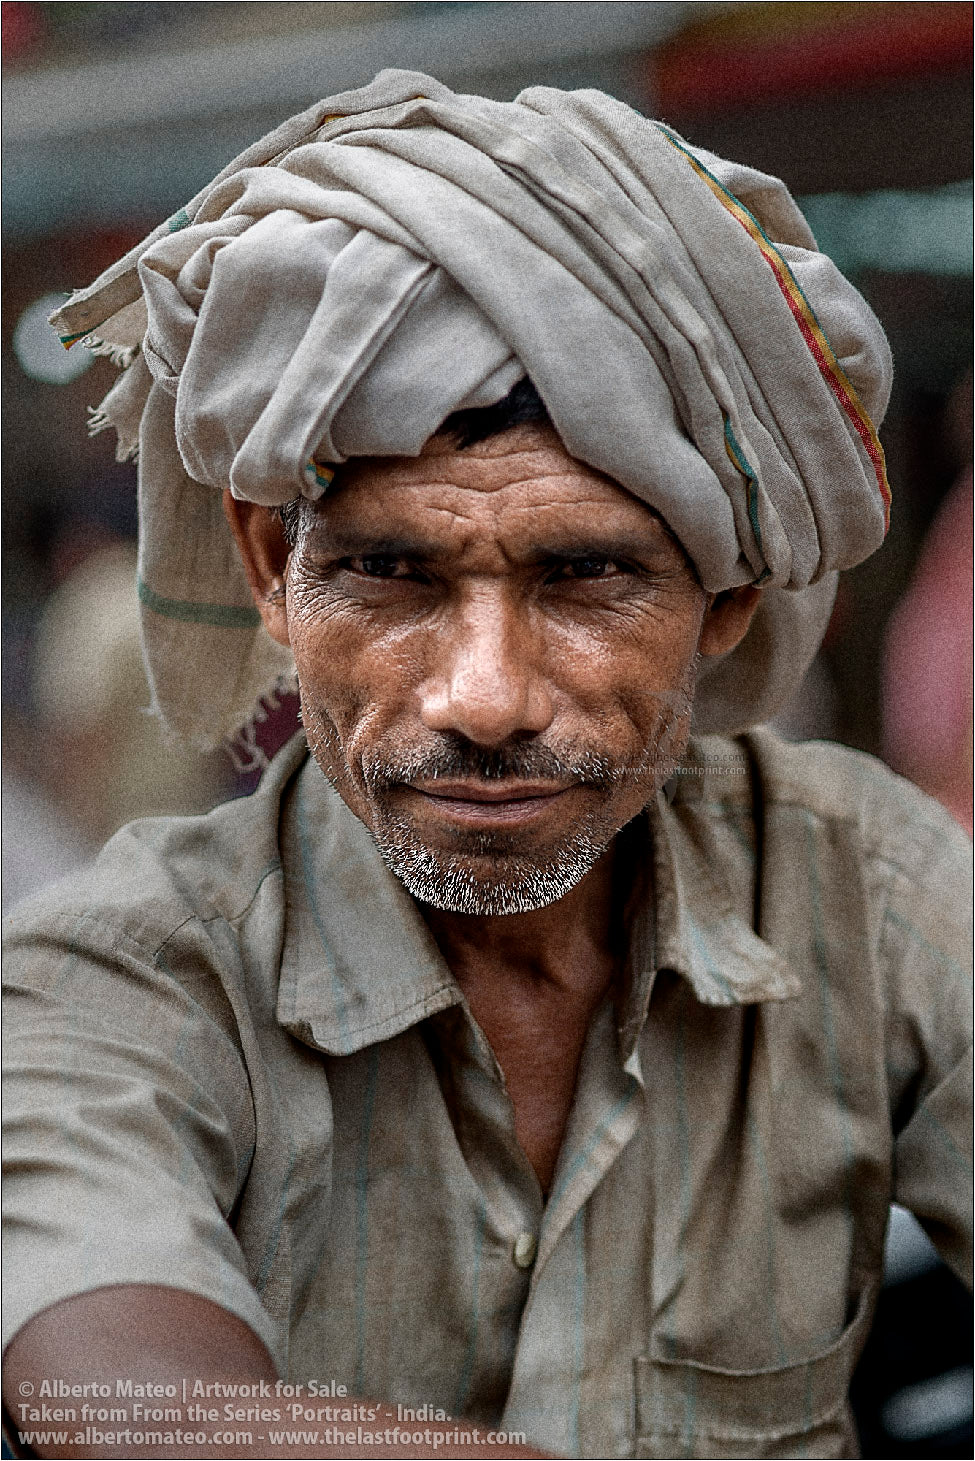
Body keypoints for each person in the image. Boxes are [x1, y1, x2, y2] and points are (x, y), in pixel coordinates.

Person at [3, 70, 970, 1461]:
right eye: (392, 574)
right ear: (276, 571)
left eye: (586, 577)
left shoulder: (868, 889)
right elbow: (130, 1405)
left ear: (725, 603)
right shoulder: (115, 977)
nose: (485, 696)